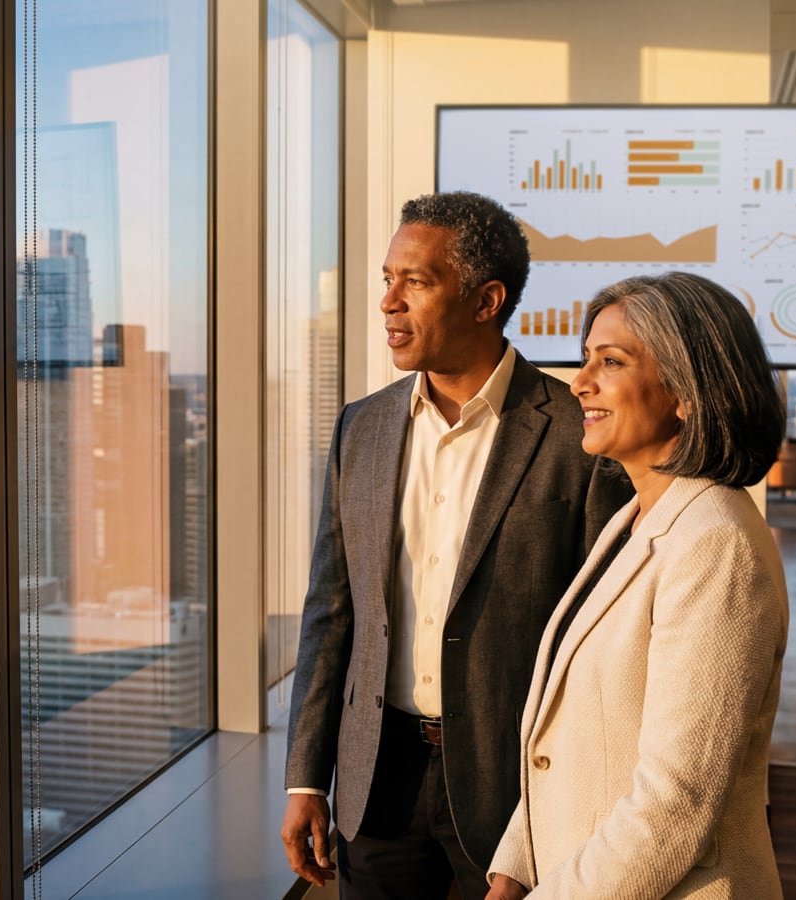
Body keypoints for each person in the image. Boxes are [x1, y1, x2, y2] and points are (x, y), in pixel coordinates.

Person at [280, 191, 630, 900]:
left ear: (486, 300)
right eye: (387, 280)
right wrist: (305, 776)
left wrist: (568, 819)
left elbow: (599, 654)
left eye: (416, 281)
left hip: (514, 787)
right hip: (377, 779)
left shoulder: (578, 435)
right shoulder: (362, 429)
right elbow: (332, 613)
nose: (388, 303)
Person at [485, 272, 788, 899]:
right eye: (585, 359)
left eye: (612, 361)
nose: (581, 383)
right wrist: (515, 865)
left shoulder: (716, 542)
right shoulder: (634, 520)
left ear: (685, 390)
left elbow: (676, 803)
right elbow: (576, 737)